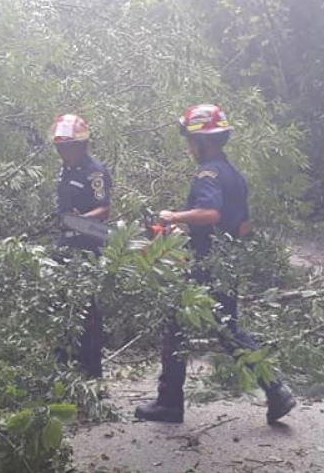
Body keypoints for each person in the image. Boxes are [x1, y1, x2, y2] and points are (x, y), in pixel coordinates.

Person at [134, 104, 295, 423]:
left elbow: (211, 213)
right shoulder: (233, 174)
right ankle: (276, 390)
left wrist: (173, 217)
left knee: (176, 327)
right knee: (228, 330)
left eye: (191, 141)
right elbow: (243, 226)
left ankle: (169, 403)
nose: (189, 148)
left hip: (204, 265)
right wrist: (196, 233)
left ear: (202, 142)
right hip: (223, 264)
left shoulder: (207, 172)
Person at [51, 114, 112, 378]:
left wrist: (82, 220)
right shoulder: (65, 168)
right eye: (60, 147)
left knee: (86, 308)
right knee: (61, 304)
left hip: (88, 241)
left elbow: (105, 208)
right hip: (66, 241)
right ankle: (63, 366)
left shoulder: (94, 171)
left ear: (80, 145)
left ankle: (90, 372)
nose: (63, 152)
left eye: (67, 147)